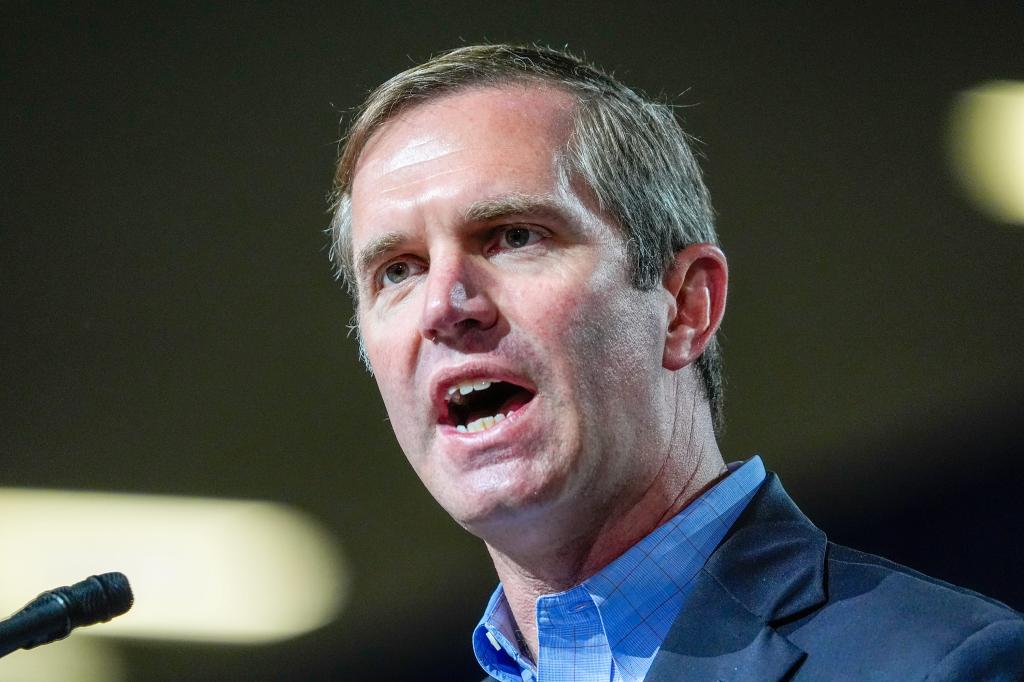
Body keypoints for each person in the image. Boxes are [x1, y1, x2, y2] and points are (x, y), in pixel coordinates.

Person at [327, 44, 1024, 681]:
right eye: (397, 271)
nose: (445, 305)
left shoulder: (946, 664)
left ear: (685, 305)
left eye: (513, 236)